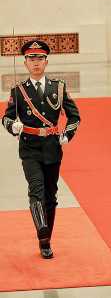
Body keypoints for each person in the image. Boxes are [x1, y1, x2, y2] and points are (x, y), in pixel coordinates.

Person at [2, 40, 80, 259]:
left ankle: (47, 238)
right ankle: (42, 235)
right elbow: (7, 117)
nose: (35, 63)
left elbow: (75, 116)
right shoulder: (18, 91)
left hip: (53, 148)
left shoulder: (59, 87)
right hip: (29, 148)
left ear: (46, 62)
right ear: (25, 63)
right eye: (31, 59)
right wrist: (13, 126)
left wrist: (67, 134)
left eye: (39, 59)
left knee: (50, 196)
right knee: (36, 191)